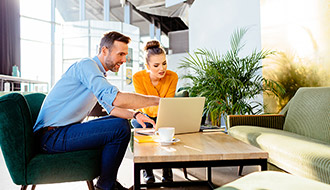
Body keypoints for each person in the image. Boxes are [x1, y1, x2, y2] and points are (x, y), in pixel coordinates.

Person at [33, 31, 159, 190]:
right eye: (120, 54)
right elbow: (117, 99)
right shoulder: (86, 66)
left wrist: (135, 114)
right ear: (104, 50)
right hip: (51, 136)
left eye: (125, 55)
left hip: (61, 132)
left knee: (119, 122)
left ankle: (109, 183)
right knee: (119, 128)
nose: (124, 60)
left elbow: (111, 108)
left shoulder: (96, 73)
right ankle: (106, 186)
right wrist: (157, 100)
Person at [131, 40, 178, 183]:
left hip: (165, 114)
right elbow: (143, 105)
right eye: (156, 65)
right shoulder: (138, 78)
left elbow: (167, 104)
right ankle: (147, 170)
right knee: (140, 126)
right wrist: (156, 104)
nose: (161, 68)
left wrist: (157, 107)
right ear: (147, 66)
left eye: (164, 63)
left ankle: (167, 169)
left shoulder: (172, 76)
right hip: (144, 116)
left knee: (167, 128)